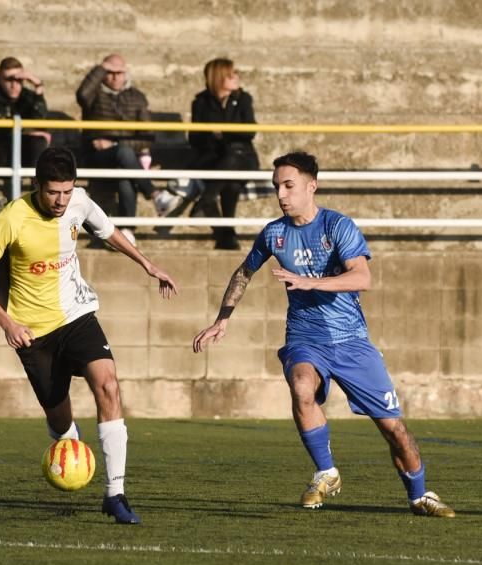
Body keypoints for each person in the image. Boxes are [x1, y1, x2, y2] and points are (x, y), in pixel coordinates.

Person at [192, 151, 455, 518]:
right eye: (276, 188)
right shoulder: (274, 234)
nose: (281, 195)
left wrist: (307, 281)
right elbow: (242, 273)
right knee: (301, 385)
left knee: (394, 429)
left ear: (311, 186)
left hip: (351, 341)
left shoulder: (338, 226)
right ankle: (326, 471)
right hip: (305, 337)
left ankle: (419, 494)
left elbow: (362, 278)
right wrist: (223, 319)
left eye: (288, 186)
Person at [0, 147, 178, 524]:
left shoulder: (78, 201)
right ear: (36, 186)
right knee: (59, 419)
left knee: (108, 384)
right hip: (33, 333)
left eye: (67, 191)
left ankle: (116, 494)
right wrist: (7, 323)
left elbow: (108, 230)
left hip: (77, 316)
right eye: (53, 193)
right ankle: (67, 436)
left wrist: (148, 265)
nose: (61, 200)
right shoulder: (13, 218)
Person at [76, 53, 181, 244]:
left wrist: (116, 145)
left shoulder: (137, 97)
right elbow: (82, 94)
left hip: (126, 159)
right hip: (96, 156)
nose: (115, 77)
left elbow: (147, 138)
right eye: (110, 72)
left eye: (120, 72)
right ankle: (155, 195)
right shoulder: (94, 96)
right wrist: (100, 68)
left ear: (126, 73)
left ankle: (126, 230)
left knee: (125, 172)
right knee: (124, 156)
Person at [188, 58, 260, 251]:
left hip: (243, 157)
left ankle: (204, 201)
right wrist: (211, 134)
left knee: (232, 161)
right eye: (231, 74)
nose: (236, 77)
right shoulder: (200, 102)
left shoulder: (244, 99)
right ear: (218, 77)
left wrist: (223, 132)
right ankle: (227, 238)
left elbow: (250, 132)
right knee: (232, 184)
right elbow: (193, 138)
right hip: (213, 158)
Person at [0, 57, 51, 217]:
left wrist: (39, 88)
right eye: (9, 79)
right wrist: (21, 128)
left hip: (18, 150)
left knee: (38, 142)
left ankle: (39, 196)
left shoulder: (27, 95)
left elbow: (41, 121)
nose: (14, 85)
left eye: (19, 80)